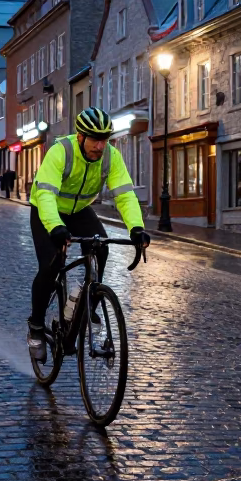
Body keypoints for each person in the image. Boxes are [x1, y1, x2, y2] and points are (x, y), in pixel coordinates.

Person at [26, 108, 150, 361]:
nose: (100, 145)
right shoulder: (61, 151)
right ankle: (36, 327)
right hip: (46, 210)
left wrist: (136, 228)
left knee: (101, 247)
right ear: (80, 137)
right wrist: (55, 227)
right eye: (95, 139)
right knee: (52, 265)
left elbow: (124, 194)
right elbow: (46, 193)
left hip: (80, 210)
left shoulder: (110, 157)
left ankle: (86, 301)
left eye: (105, 139)